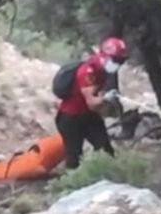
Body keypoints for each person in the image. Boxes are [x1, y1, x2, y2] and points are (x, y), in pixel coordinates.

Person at [55, 37, 128, 169]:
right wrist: (106, 98)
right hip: (70, 118)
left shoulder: (103, 70)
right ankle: (71, 185)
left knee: (106, 151)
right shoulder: (88, 71)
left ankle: (110, 179)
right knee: (74, 157)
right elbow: (92, 103)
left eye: (121, 61)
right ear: (105, 56)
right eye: (116, 60)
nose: (118, 64)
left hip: (88, 115)